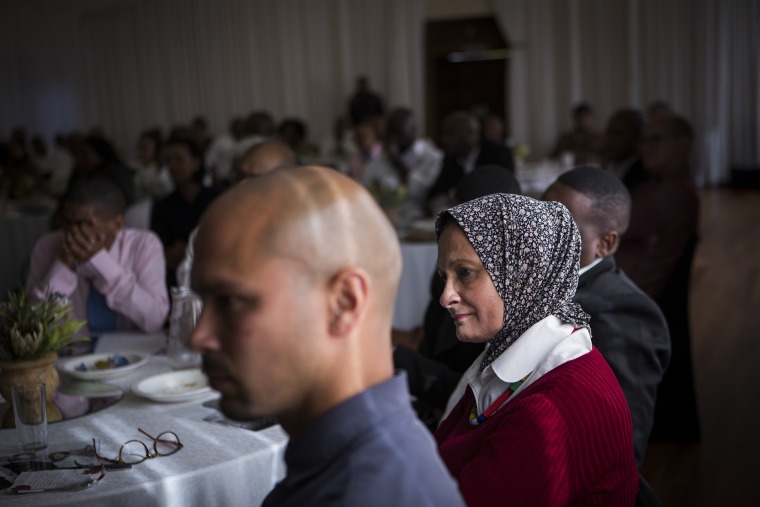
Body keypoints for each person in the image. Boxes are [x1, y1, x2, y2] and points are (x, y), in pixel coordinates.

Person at [188, 166, 465, 507]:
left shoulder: (374, 494)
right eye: (203, 302)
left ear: (344, 303)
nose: (198, 337)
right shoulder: (341, 466)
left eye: (230, 301)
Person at [434, 193, 638, 506]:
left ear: (523, 274)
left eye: (464, 272)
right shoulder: (515, 355)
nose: (445, 297)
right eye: (443, 277)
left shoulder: (548, 409)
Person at [542, 166, 671, 468]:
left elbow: (620, 444)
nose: (542, 232)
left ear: (605, 244)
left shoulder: (623, 312)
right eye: (542, 215)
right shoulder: (545, 278)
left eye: (562, 225)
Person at [394, 165, 522, 426]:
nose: (446, 296)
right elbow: (432, 340)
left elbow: (482, 392)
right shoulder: (447, 268)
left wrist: (397, 358)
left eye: (465, 273)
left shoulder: (515, 309)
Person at [616, 113, 701, 442]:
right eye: (645, 140)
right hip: (641, 291)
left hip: (632, 298)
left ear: (684, 144)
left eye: (656, 140)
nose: (645, 148)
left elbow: (602, 227)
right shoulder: (671, 188)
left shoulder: (663, 195)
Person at [26, 177, 169, 337]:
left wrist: (101, 263)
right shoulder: (47, 246)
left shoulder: (143, 245)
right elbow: (34, 327)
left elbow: (154, 320)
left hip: (132, 353)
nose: (72, 232)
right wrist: (63, 264)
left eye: (84, 223)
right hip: (70, 355)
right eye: (68, 222)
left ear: (117, 224)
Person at [175, 140, 297, 288]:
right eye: (239, 175)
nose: (241, 185)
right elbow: (189, 294)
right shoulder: (209, 231)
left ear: (285, 183)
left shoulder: (305, 235)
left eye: (254, 178)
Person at [151, 137, 220, 289]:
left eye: (178, 160)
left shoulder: (218, 199)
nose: (173, 166)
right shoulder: (163, 206)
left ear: (195, 163)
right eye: (168, 161)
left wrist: (187, 249)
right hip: (178, 280)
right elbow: (160, 252)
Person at [362, 107, 443, 221]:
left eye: (400, 133)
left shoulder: (432, 157)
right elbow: (364, 191)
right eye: (390, 133)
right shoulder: (378, 162)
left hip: (421, 223)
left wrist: (397, 164)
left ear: (414, 131)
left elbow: (425, 194)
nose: (394, 139)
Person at [426, 111, 515, 213]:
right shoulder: (451, 159)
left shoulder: (498, 153)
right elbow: (434, 195)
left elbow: (506, 191)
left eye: (450, 133)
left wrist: (457, 199)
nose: (444, 139)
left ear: (471, 133)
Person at [550, 101, 604, 166]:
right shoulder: (566, 138)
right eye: (580, 118)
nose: (583, 121)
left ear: (591, 118)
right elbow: (553, 156)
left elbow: (603, 157)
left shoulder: (598, 137)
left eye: (586, 117)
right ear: (575, 118)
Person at [602, 108, 646, 184]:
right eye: (608, 133)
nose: (610, 140)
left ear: (636, 137)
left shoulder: (642, 173)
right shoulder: (607, 166)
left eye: (617, 134)